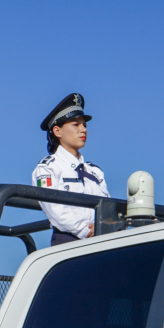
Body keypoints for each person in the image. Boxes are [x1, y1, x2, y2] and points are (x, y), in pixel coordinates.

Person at [31, 93, 111, 245]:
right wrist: (87, 231)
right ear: (57, 131)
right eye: (76, 125)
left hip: (101, 243)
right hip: (68, 243)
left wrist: (104, 227)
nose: (83, 130)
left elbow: (108, 208)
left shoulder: (95, 172)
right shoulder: (47, 169)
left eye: (84, 125)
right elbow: (55, 210)